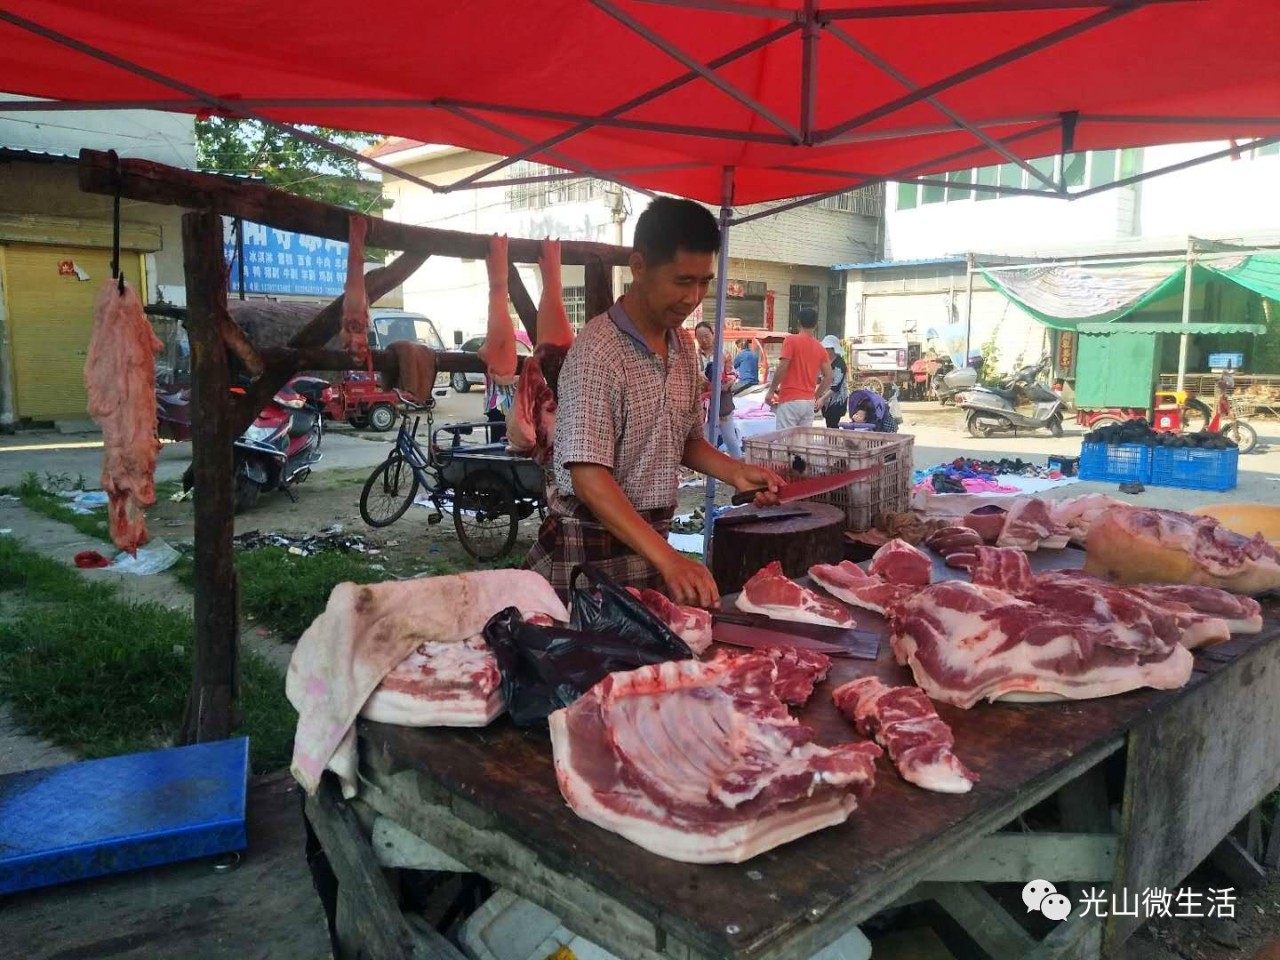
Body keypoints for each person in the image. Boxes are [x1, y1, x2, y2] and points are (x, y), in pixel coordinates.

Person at [526, 197, 784, 608]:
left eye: (704, 282)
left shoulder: (682, 345)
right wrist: (670, 559)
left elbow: (685, 440)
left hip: (649, 547)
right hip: (588, 553)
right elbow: (588, 476)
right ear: (640, 266)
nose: (693, 297)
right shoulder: (598, 351)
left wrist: (736, 472)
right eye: (682, 281)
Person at [762, 307, 831, 430]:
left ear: (798, 323)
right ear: (815, 325)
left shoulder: (791, 340)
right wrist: (816, 395)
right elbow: (829, 377)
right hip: (808, 402)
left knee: (784, 441)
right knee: (801, 444)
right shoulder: (820, 348)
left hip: (790, 400)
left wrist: (771, 390)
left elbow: (783, 367)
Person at [695, 321, 743, 460]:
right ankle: (708, 476)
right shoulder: (694, 356)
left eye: (706, 336)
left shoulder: (723, 354)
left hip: (722, 404)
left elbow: (732, 374)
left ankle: (739, 465)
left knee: (730, 439)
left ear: (713, 335)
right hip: (703, 407)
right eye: (700, 337)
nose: (703, 340)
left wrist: (728, 383)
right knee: (706, 441)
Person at [815, 334, 849, 429]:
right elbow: (820, 378)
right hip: (826, 400)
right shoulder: (825, 361)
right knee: (828, 424)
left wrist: (822, 398)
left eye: (827, 348)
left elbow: (836, 386)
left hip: (836, 400)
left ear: (833, 349)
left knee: (832, 426)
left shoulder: (839, 364)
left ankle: (833, 443)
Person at [483, 372, 516, 443]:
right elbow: (499, 379)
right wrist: (520, 378)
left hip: (507, 402)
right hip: (500, 402)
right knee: (500, 438)